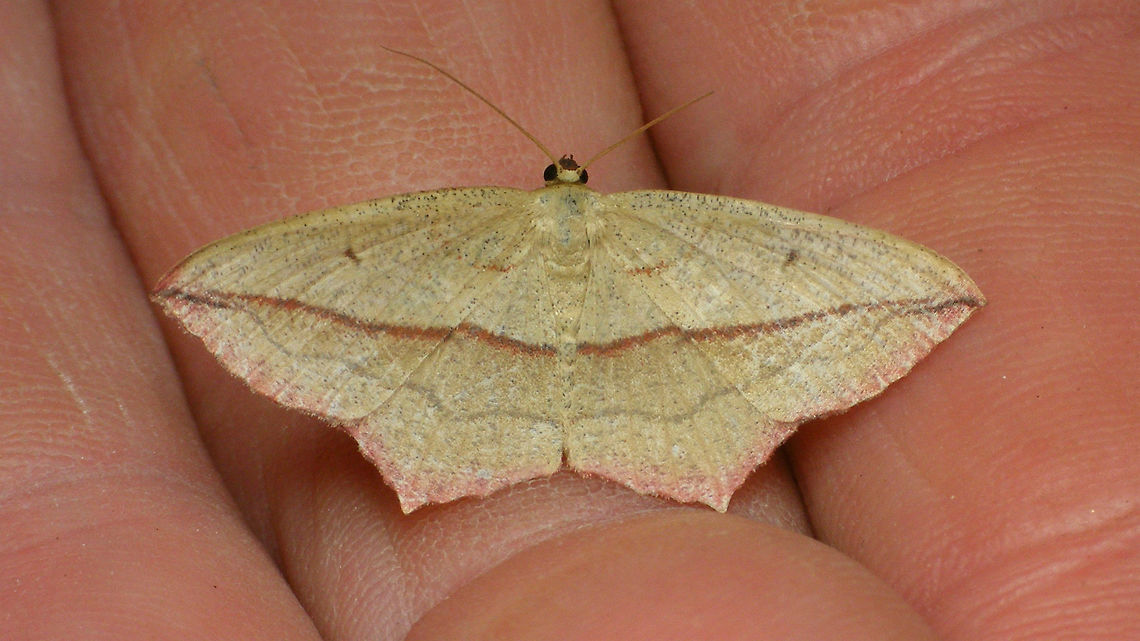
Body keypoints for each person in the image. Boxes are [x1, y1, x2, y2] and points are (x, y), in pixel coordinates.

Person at [3, 2, 1136, 639]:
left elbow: (915, 292)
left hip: (474, 380)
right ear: (573, 187)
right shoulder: (678, 229)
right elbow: (221, 290)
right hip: (649, 379)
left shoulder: (432, 230)